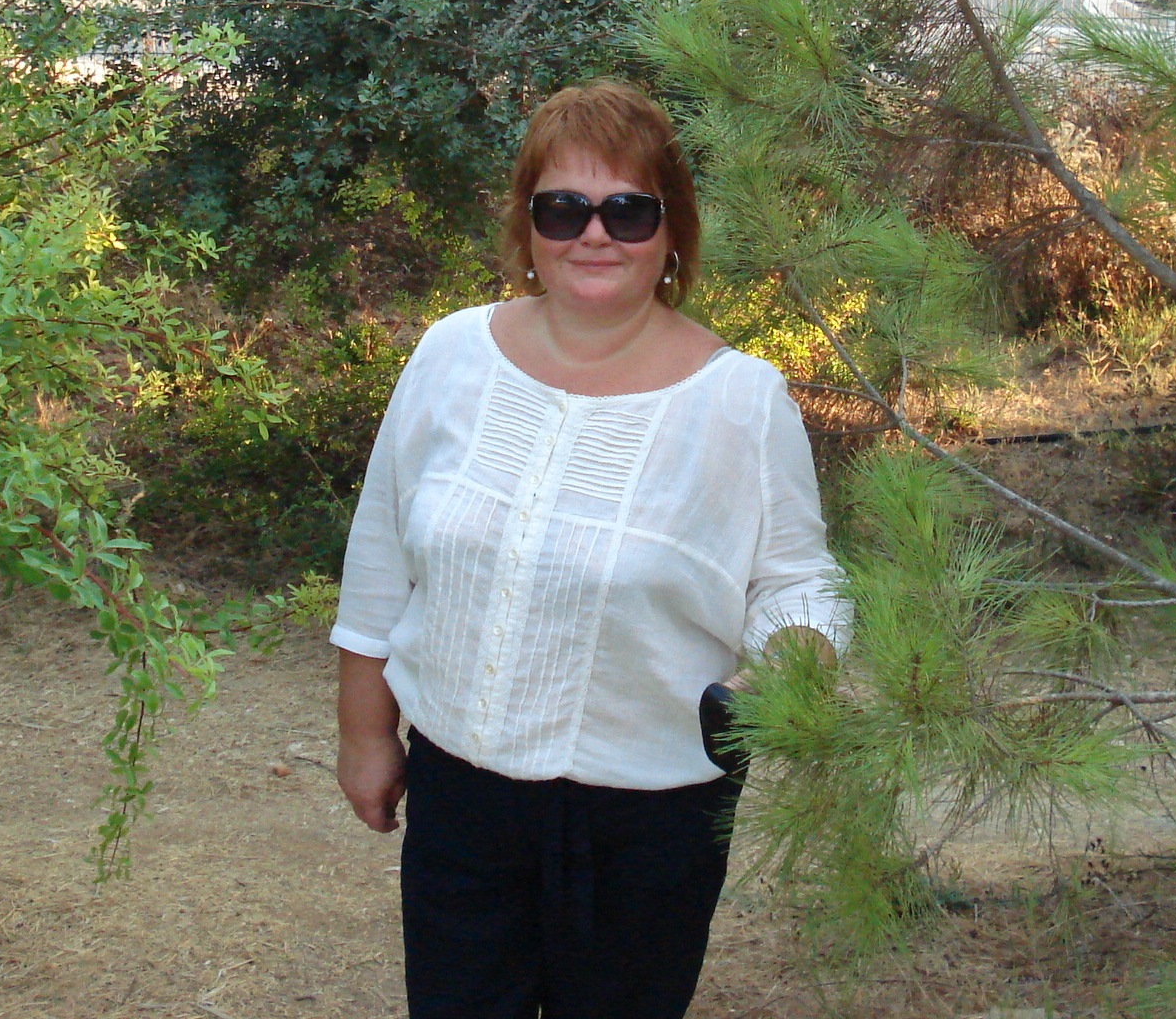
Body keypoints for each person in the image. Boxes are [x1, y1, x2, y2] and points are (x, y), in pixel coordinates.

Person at [330, 79, 848, 1019]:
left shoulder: (741, 401)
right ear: (528, 225)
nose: (594, 235)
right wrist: (364, 735)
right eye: (564, 209)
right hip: (459, 798)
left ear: (673, 229)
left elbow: (798, 580)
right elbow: (378, 564)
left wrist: (791, 665)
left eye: (628, 211)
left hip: (650, 819)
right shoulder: (449, 354)